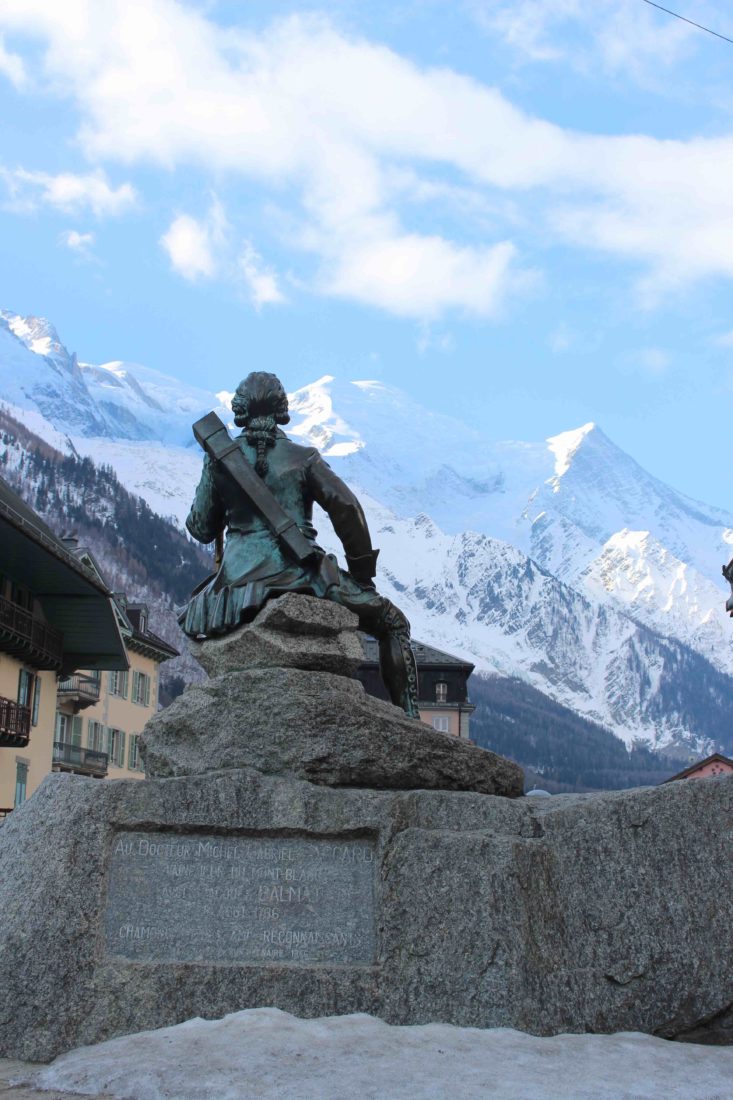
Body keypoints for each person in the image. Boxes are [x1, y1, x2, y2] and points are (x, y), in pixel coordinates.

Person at [180, 371, 419, 717]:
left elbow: (201, 528)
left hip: (234, 581)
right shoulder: (303, 457)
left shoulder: (218, 457)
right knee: (393, 623)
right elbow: (347, 508)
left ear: (241, 410)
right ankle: (409, 718)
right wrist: (362, 574)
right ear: (281, 410)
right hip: (299, 573)